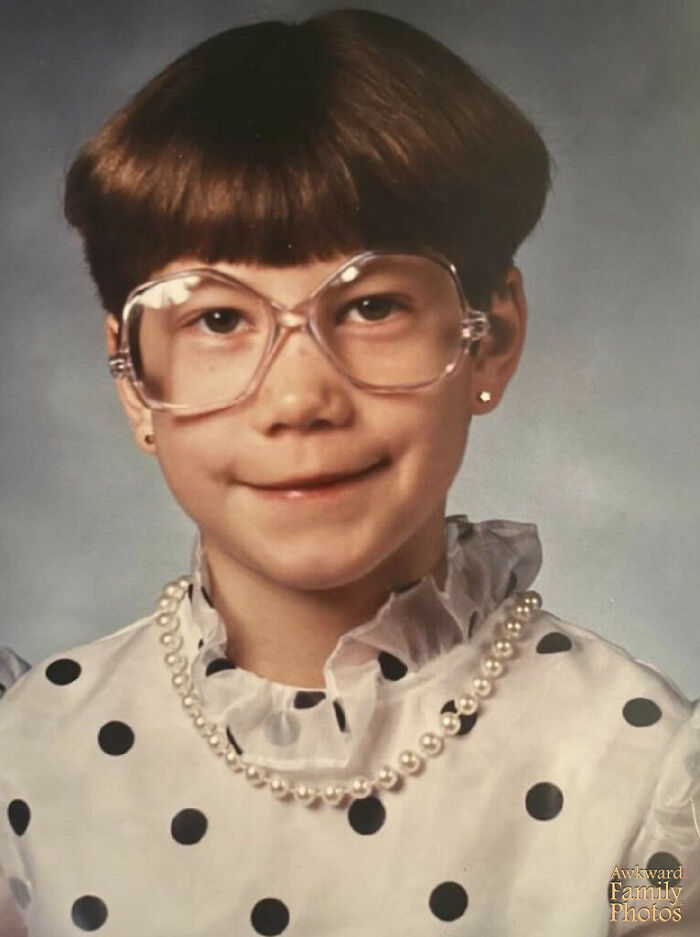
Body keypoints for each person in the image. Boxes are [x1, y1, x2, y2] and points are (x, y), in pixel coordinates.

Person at [0, 9, 697, 936]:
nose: (299, 398)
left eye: (371, 307)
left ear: (491, 337)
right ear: (133, 378)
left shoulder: (652, 803)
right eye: (217, 319)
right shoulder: (24, 765)